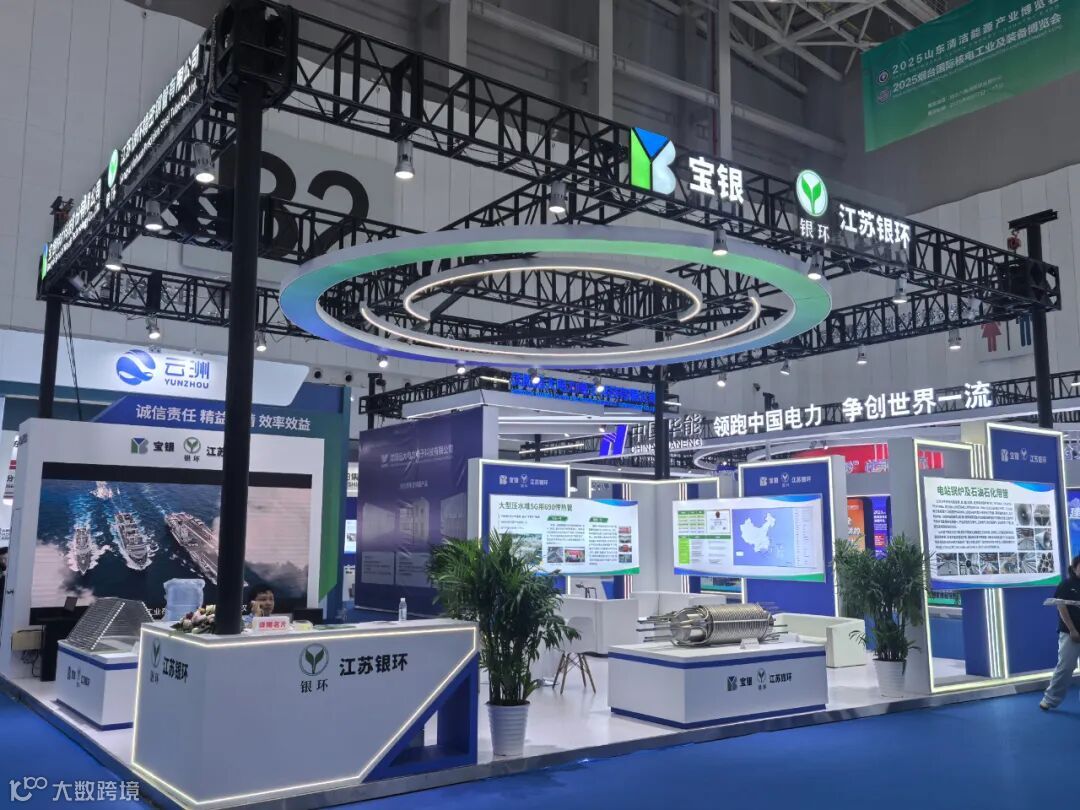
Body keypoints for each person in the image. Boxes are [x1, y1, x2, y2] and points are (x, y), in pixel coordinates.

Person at [1040, 555, 1080, 711]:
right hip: (1070, 633)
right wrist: (1072, 630)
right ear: (1074, 568)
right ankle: (1049, 700)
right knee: (1065, 667)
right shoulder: (1066, 585)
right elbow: (1061, 608)